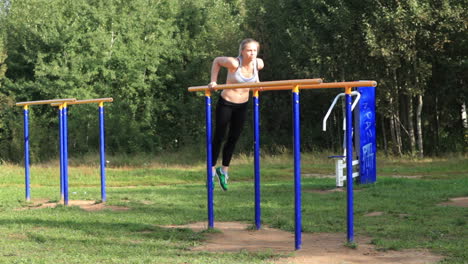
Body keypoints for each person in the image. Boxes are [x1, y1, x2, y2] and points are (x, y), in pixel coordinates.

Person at [208, 38, 264, 191]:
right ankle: (211, 170)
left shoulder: (258, 63)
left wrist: (258, 85)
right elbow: (217, 61)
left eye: (254, 50)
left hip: (242, 105)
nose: (252, 53)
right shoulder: (234, 63)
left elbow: (256, 79)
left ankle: (224, 170)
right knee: (219, 137)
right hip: (226, 103)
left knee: (233, 138)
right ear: (242, 51)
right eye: (249, 50)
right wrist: (213, 81)